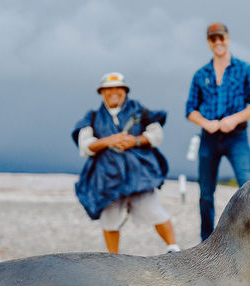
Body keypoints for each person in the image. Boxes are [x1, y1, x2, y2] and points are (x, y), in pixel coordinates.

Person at [71, 72, 181, 254]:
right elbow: (85, 146)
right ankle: (113, 258)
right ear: (102, 92)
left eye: (117, 88)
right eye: (109, 89)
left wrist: (135, 141)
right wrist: (108, 140)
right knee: (110, 218)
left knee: (154, 211)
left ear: (124, 91)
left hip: (138, 175)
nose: (113, 92)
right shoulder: (92, 117)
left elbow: (156, 135)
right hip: (107, 177)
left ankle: (174, 248)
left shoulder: (140, 112)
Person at [186, 22, 250, 241]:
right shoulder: (201, 74)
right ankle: (206, 241)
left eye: (221, 37)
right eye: (213, 39)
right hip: (209, 138)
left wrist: (234, 119)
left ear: (228, 38)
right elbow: (190, 110)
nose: (218, 42)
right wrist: (205, 123)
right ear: (209, 42)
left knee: (248, 185)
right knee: (205, 193)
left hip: (236, 137)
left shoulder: (245, 69)